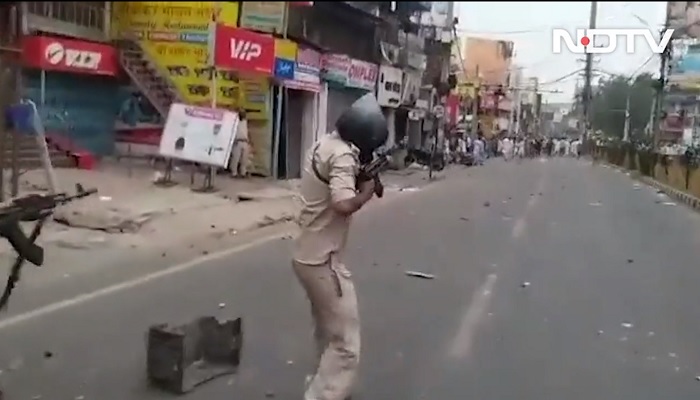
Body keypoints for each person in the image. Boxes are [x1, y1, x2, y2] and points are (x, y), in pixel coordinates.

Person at [293, 93, 388, 400]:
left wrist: (361, 175)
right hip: (323, 261)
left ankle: (326, 386)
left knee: (327, 331)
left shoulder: (325, 144)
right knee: (346, 344)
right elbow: (342, 203)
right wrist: (366, 192)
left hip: (305, 255)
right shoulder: (343, 156)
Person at [229, 109, 250, 178]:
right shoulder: (235, 122)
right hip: (237, 141)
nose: (243, 115)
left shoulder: (245, 122)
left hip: (245, 141)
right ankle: (234, 172)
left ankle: (243, 172)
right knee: (236, 158)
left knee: (244, 159)